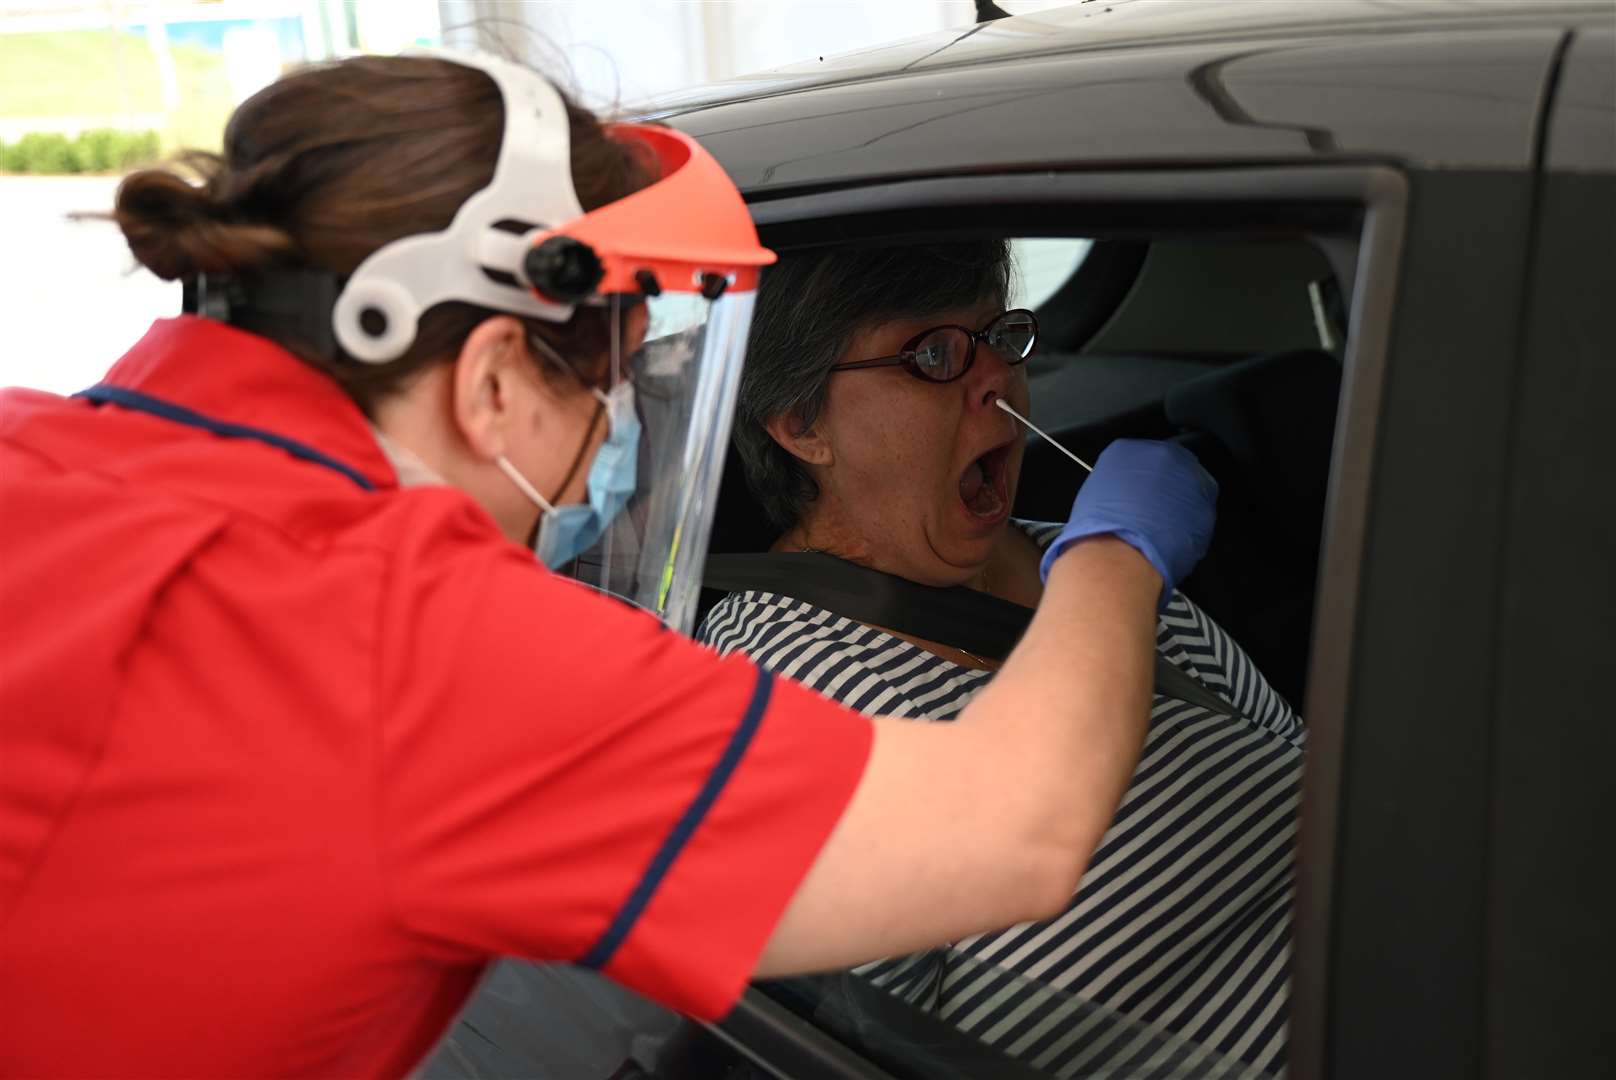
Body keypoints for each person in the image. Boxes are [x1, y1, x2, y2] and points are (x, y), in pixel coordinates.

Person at [0, 53, 1218, 1079]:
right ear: (487, 383)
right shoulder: (418, 648)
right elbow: (1016, 834)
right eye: (611, 389)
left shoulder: (28, 454)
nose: (610, 456)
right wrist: (1117, 549)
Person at [700, 240, 1305, 1077]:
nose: (998, 379)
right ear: (803, 426)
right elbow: (853, 1048)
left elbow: (1305, 774)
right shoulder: (771, 690)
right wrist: (1119, 569)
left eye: (1003, 335)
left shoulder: (1077, 561)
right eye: (936, 355)